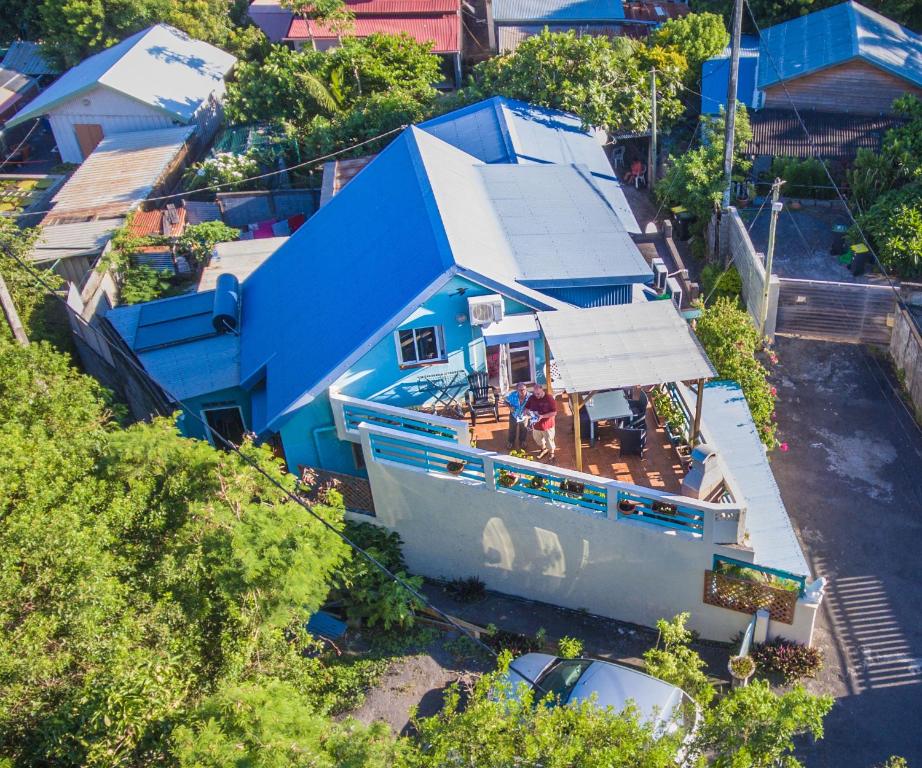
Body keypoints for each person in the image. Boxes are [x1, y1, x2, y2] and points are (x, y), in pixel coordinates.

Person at [525, 383, 557, 460]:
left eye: (538, 393)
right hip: (536, 425)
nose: (537, 395)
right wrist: (528, 413)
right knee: (537, 439)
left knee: (549, 440)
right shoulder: (532, 398)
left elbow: (554, 413)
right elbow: (526, 408)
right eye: (535, 394)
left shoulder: (549, 398)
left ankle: (551, 453)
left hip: (547, 425)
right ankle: (544, 449)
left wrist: (542, 416)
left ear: (542, 390)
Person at [504, 382, 530, 450]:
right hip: (514, 415)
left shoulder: (530, 396)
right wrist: (510, 407)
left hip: (524, 415)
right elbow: (505, 401)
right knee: (512, 429)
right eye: (520, 390)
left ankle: (522, 441)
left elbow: (534, 404)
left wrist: (528, 409)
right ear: (517, 390)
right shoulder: (512, 395)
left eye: (524, 389)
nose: (522, 391)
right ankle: (511, 442)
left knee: (524, 429)